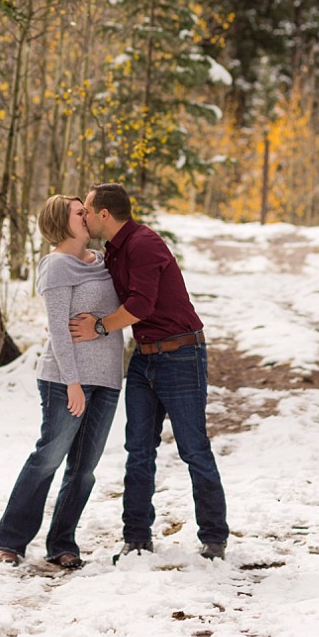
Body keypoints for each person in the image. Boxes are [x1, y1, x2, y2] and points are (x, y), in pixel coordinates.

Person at [69, 182, 229, 561]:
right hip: (144, 357)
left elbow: (140, 305)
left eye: (87, 211)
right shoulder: (113, 251)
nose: (85, 217)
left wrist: (101, 326)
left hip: (181, 354)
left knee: (194, 449)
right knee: (139, 450)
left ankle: (214, 536)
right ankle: (137, 536)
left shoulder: (144, 244)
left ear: (104, 214)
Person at [0, 193, 124, 569]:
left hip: (108, 379)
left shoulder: (102, 262)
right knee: (48, 458)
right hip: (66, 381)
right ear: (59, 223)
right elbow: (58, 330)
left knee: (84, 469)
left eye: (86, 211)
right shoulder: (56, 267)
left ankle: (62, 542)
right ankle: (11, 540)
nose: (87, 216)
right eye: (79, 213)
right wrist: (73, 382)